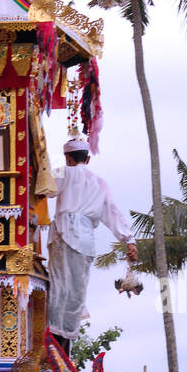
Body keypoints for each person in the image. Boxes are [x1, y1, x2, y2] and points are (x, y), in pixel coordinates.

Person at [45, 136, 137, 349]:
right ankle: (65, 343)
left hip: (62, 232)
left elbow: (44, 189)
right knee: (77, 289)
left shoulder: (62, 172)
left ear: (68, 157)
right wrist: (129, 240)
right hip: (85, 238)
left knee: (60, 285)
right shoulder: (100, 183)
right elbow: (113, 213)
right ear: (87, 159)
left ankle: (54, 342)